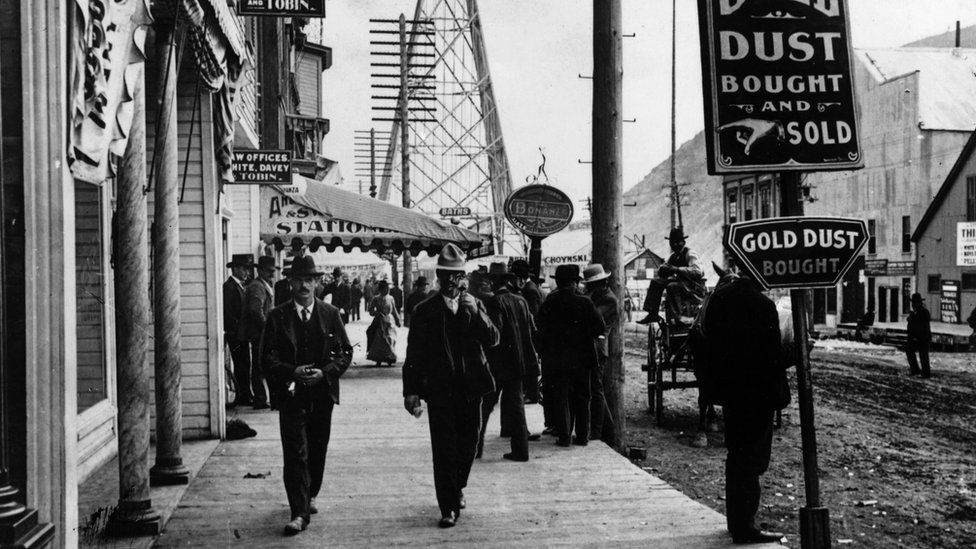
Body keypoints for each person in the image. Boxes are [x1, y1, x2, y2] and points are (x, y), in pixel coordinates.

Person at [402, 243, 500, 528]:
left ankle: (457, 487)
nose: (451, 283)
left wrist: (476, 312)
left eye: (456, 277)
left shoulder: (475, 303)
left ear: (463, 278)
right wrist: (411, 391)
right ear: (439, 277)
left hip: (472, 388)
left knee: (469, 444)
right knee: (444, 448)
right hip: (441, 390)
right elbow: (414, 356)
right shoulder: (425, 311)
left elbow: (493, 338)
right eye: (446, 277)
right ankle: (448, 506)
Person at [261, 255, 352, 535]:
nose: (304, 285)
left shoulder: (330, 313)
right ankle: (298, 513)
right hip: (291, 395)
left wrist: (325, 372)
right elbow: (267, 357)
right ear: (290, 283)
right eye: (298, 280)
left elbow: (344, 352)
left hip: (322, 394)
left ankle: (310, 494)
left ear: (317, 283)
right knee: (295, 452)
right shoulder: (277, 316)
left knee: (317, 447)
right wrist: (292, 371)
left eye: (309, 280)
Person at [698, 273, 788, 545]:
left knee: (736, 455)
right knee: (753, 460)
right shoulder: (762, 305)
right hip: (757, 394)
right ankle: (745, 527)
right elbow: (771, 356)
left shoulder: (719, 299)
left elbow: (708, 341)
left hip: (730, 392)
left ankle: (736, 522)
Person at [537, 264, 606, 447]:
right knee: (583, 397)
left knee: (561, 397)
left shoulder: (549, 302)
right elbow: (600, 327)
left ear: (558, 282)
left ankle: (564, 437)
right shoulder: (585, 302)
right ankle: (583, 437)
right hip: (583, 359)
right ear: (575, 282)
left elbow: (540, 330)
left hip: (557, 360)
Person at [477, 262, 538, 462]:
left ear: (494, 281)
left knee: (484, 407)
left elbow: (495, 333)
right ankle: (521, 451)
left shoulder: (495, 302)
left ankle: (475, 448)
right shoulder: (521, 301)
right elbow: (530, 331)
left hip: (499, 364)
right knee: (517, 408)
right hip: (519, 363)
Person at [638, 227, 706, 325]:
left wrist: (677, 269)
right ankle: (652, 313)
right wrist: (663, 269)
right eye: (672, 242)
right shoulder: (673, 256)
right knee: (656, 282)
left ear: (683, 242)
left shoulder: (690, 254)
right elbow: (663, 271)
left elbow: (698, 271)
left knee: (672, 286)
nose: (675, 245)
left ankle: (677, 317)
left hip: (694, 288)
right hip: (682, 286)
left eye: (677, 242)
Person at [583, 263, 617, 442]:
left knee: (596, 391)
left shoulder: (609, 300)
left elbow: (593, 320)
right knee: (593, 390)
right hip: (589, 348)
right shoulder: (595, 296)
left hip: (597, 349)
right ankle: (606, 431)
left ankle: (599, 432)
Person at [242, 256, 277, 409]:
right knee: (259, 366)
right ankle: (260, 398)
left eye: (273, 271)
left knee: (261, 365)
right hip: (259, 334)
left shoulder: (263, 284)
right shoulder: (257, 286)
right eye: (269, 271)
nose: (272, 274)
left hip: (262, 333)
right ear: (260, 270)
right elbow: (255, 311)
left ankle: (261, 397)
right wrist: (267, 328)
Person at [223, 254, 255, 407]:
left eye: (247, 269)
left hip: (242, 334)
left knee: (245, 364)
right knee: (241, 364)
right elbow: (228, 312)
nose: (246, 273)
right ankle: (243, 395)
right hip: (235, 334)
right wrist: (236, 329)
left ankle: (246, 394)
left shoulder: (240, 286)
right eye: (243, 269)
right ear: (235, 269)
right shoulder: (229, 287)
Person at [366, 280, 401, 366]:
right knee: (379, 340)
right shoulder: (376, 298)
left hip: (389, 321)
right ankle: (379, 359)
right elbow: (370, 310)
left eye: (387, 288)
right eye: (385, 288)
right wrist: (376, 313)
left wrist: (397, 320)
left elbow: (394, 310)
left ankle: (390, 358)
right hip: (379, 321)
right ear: (381, 289)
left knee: (390, 338)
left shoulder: (391, 298)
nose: (387, 290)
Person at [906, 293, 932, 378]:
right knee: (910, 351)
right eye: (913, 302)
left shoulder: (923, 312)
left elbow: (923, 326)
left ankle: (926, 373)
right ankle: (915, 370)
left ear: (919, 303)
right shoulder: (914, 312)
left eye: (915, 302)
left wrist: (917, 336)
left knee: (923, 355)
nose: (913, 304)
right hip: (914, 337)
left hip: (922, 337)